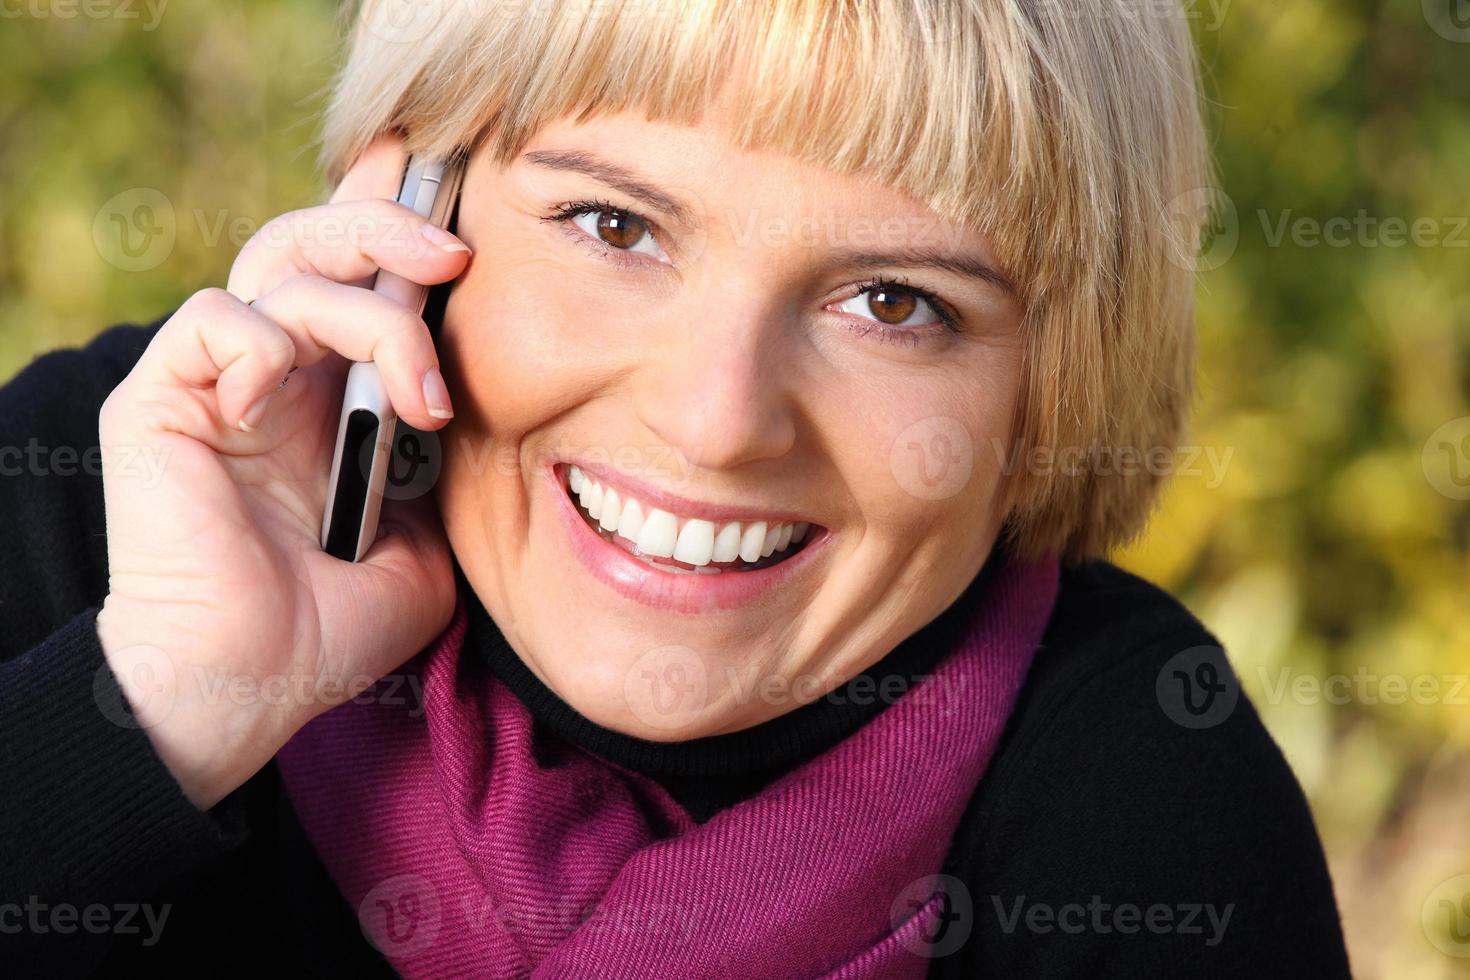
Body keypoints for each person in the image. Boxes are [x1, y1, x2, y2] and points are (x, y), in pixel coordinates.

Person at [0, 0, 1352, 975]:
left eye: (892, 301)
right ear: (406, 205)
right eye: (614, 227)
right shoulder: (125, 494)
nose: (715, 424)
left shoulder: (1135, 797)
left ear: (1055, 379)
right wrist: (158, 701)